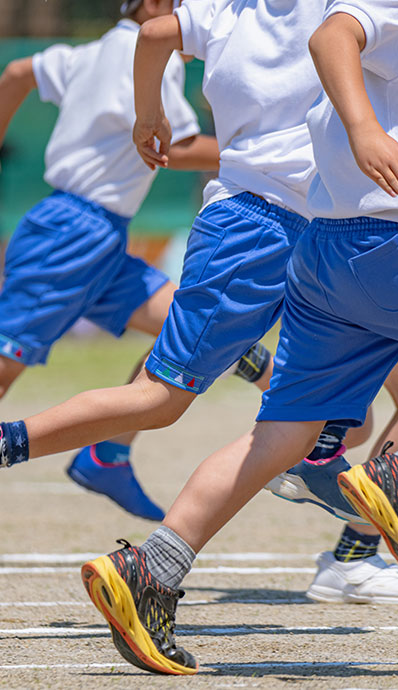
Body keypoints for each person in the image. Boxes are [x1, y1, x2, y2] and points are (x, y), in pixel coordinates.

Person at [77, 0, 398, 675]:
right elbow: (330, 37)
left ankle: (151, 570)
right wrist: (365, 128)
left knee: (282, 435)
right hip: (390, 246)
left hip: (327, 253)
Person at [0, 0, 234, 519]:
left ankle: (107, 454)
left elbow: (17, 71)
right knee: (4, 366)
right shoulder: (149, 54)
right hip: (72, 232)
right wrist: (269, 154)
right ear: (153, 6)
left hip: (93, 232)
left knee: (185, 324)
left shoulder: (92, 51)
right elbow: (183, 147)